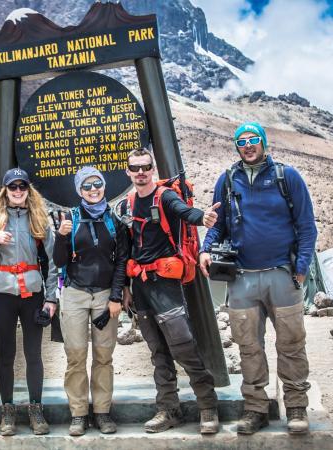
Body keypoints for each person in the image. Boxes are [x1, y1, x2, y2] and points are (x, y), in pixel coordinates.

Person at [199, 122, 317, 435]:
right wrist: (205, 249)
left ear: (263, 142)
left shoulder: (286, 176)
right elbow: (217, 224)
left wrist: (301, 268)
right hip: (242, 279)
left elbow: (307, 226)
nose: (248, 145)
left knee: (291, 343)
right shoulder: (227, 180)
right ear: (236, 146)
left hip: (281, 274)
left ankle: (295, 407)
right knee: (248, 346)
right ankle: (255, 408)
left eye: (253, 140)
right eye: (242, 141)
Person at [118, 148, 221, 435]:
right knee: (158, 351)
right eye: (135, 167)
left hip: (165, 284)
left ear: (152, 169)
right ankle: (168, 410)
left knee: (183, 346)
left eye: (145, 167)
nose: (140, 172)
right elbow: (127, 248)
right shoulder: (127, 204)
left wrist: (204, 218)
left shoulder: (165, 197)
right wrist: (126, 289)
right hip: (140, 286)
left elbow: (184, 213)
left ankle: (208, 407)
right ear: (127, 171)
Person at [0, 168, 59, 436]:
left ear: (28, 190)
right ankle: (7, 410)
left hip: (33, 294)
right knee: (6, 354)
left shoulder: (39, 219)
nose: (18, 191)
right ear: (6, 190)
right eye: (13, 187)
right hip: (2, 294)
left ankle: (36, 409)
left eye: (22, 186)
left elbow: (54, 261)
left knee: (34, 354)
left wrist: (51, 298)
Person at [52, 167, 129, 436]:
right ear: (79, 191)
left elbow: (122, 261)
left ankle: (102, 411)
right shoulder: (70, 219)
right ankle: (78, 413)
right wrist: (61, 237)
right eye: (87, 186)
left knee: (103, 356)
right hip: (74, 293)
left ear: (104, 186)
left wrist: (117, 296)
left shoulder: (115, 221)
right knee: (75, 355)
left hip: (106, 294)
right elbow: (59, 261)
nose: (93, 189)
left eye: (97, 184)